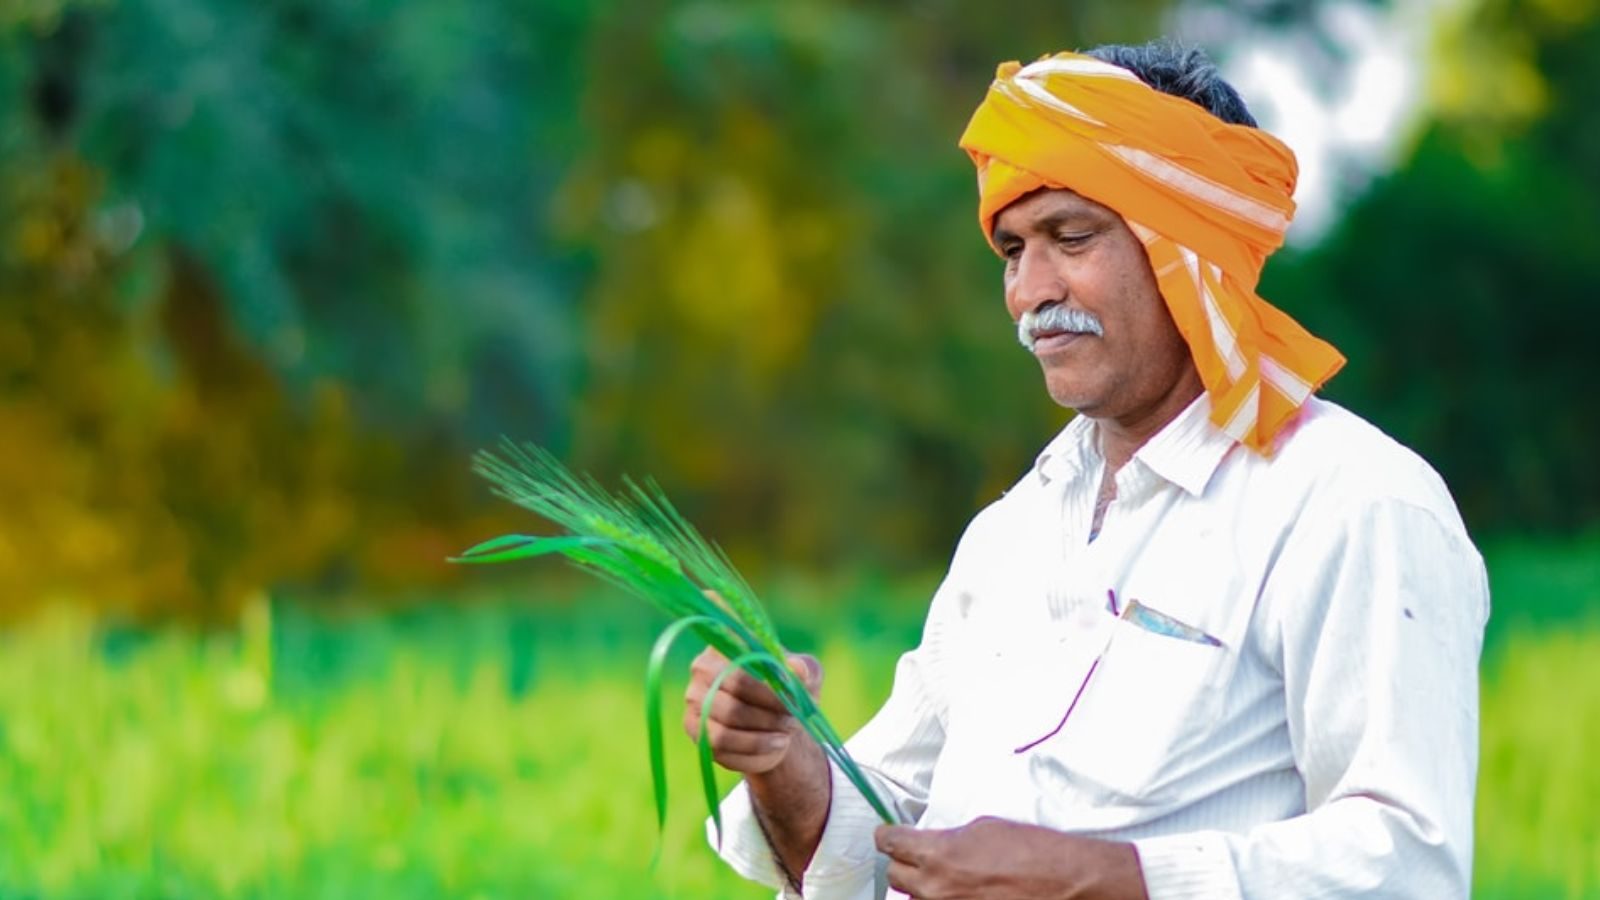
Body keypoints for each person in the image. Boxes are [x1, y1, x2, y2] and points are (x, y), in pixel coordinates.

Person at [684, 40, 1488, 900]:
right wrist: (780, 759)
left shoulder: (1353, 503)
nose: (1030, 290)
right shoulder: (1011, 535)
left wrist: (1109, 880)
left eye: (1071, 237)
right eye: (1011, 251)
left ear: (1190, 254)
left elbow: (1411, 862)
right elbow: (879, 836)